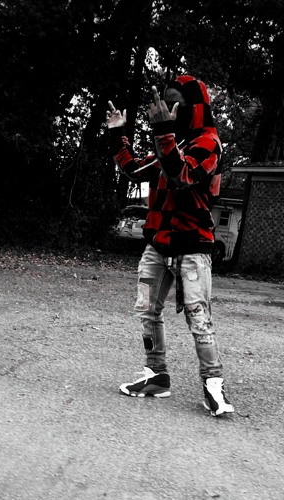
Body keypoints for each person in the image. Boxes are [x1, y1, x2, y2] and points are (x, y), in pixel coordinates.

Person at [106, 75, 234, 417]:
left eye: (177, 101)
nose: (169, 107)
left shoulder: (208, 143)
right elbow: (134, 170)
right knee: (147, 310)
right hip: (158, 247)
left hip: (193, 247)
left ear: (195, 106)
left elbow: (181, 176)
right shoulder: (172, 143)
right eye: (166, 101)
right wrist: (117, 133)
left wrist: (163, 133)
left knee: (198, 317)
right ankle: (157, 376)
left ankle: (214, 384)